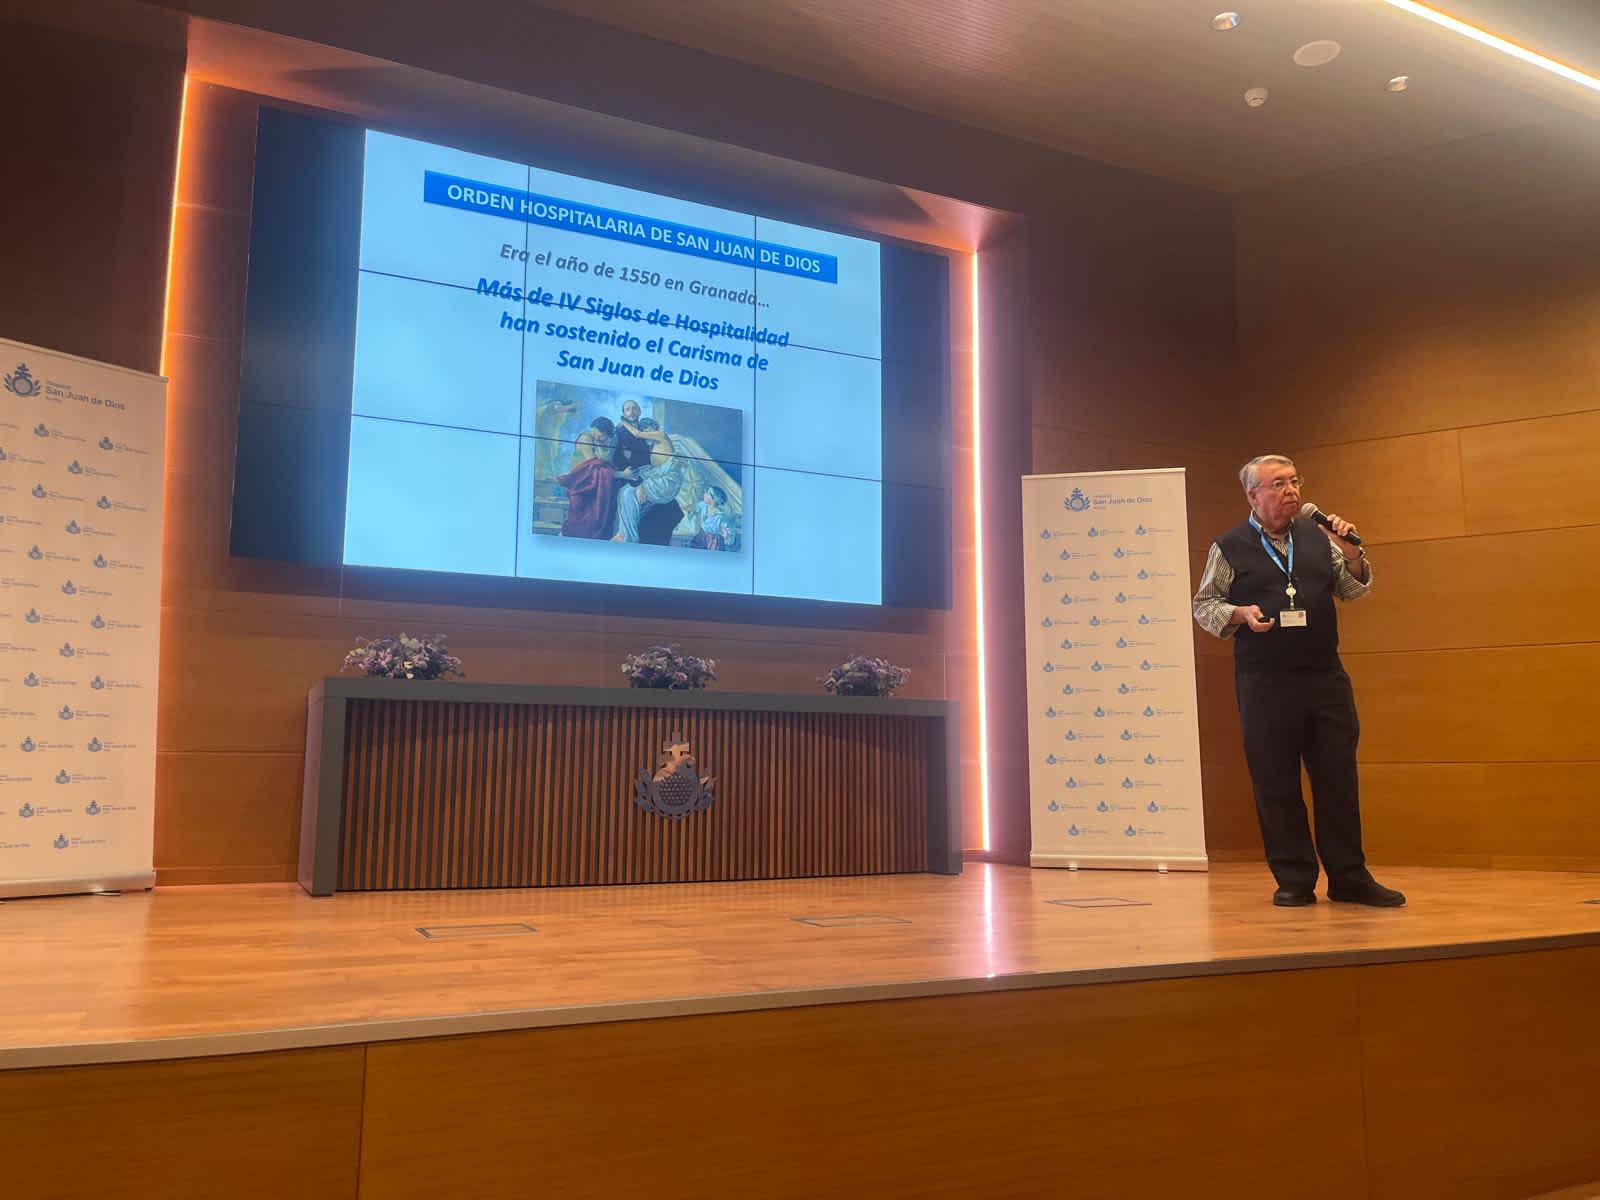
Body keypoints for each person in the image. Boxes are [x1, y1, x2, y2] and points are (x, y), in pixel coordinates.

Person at [1192, 454, 1406, 908]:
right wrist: (1240, 613)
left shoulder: (1318, 537)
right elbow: (1205, 605)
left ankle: (1349, 877)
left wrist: (1351, 552)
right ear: (1254, 495)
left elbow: (1353, 590)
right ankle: (1294, 878)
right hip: (1265, 684)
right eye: (1278, 484)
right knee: (1276, 783)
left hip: (1324, 678)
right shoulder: (1229, 546)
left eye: (1294, 482)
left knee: (1338, 780)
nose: (1291, 491)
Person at [614, 417, 684, 544]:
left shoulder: (661, 436)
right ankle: (626, 533)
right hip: (660, 480)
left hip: (667, 482)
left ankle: (627, 536)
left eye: (647, 429)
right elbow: (654, 468)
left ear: (652, 428)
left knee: (634, 492)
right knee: (626, 492)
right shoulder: (653, 447)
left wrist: (624, 422)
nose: (645, 433)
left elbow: (637, 434)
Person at [555, 418, 619, 538]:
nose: (602, 438)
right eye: (601, 435)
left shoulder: (600, 440)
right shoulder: (586, 438)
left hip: (594, 480)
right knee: (586, 517)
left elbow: (605, 462)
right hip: (581, 481)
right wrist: (620, 474)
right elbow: (594, 464)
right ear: (596, 429)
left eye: (605, 436)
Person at [688, 484, 733, 551]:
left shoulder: (720, 517)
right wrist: (690, 512)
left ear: (714, 499)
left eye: (707, 493)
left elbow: (728, 535)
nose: (705, 494)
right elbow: (693, 508)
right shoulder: (704, 505)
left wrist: (725, 536)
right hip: (701, 536)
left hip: (713, 541)